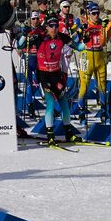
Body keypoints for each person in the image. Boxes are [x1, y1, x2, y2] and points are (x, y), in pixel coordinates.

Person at [36, 15, 85, 145]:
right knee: (50, 104)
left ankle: (69, 133)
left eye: (56, 26)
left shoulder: (62, 38)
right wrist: (24, 34)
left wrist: (83, 38)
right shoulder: (40, 38)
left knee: (64, 103)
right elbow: (20, 45)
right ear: (46, 27)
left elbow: (79, 47)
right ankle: (50, 135)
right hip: (44, 75)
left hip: (56, 75)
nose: (54, 28)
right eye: (51, 26)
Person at [75, 3, 111, 125]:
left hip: (100, 56)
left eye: (97, 13)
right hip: (87, 56)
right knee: (84, 87)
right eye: (93, 13)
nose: (96, 15)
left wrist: (106, 29)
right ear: (89, 13)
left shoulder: (102, 23)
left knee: (102, 87)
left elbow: (105, 41)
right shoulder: (84, 24)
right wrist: (82, 31)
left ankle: (104, 113)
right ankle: (82, 115)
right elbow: (75, 41)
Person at [17, 11, 44, 118]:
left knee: (38, 82)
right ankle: (30, 106)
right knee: (28, 84)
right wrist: (24, 36)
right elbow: (19, 44)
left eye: (37, 19)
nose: (36, 21)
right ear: (30, 20)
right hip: (28, 58)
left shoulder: (42, 30)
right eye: (33, 19)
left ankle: (32, 100)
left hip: (38, 59)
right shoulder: (26, 29)